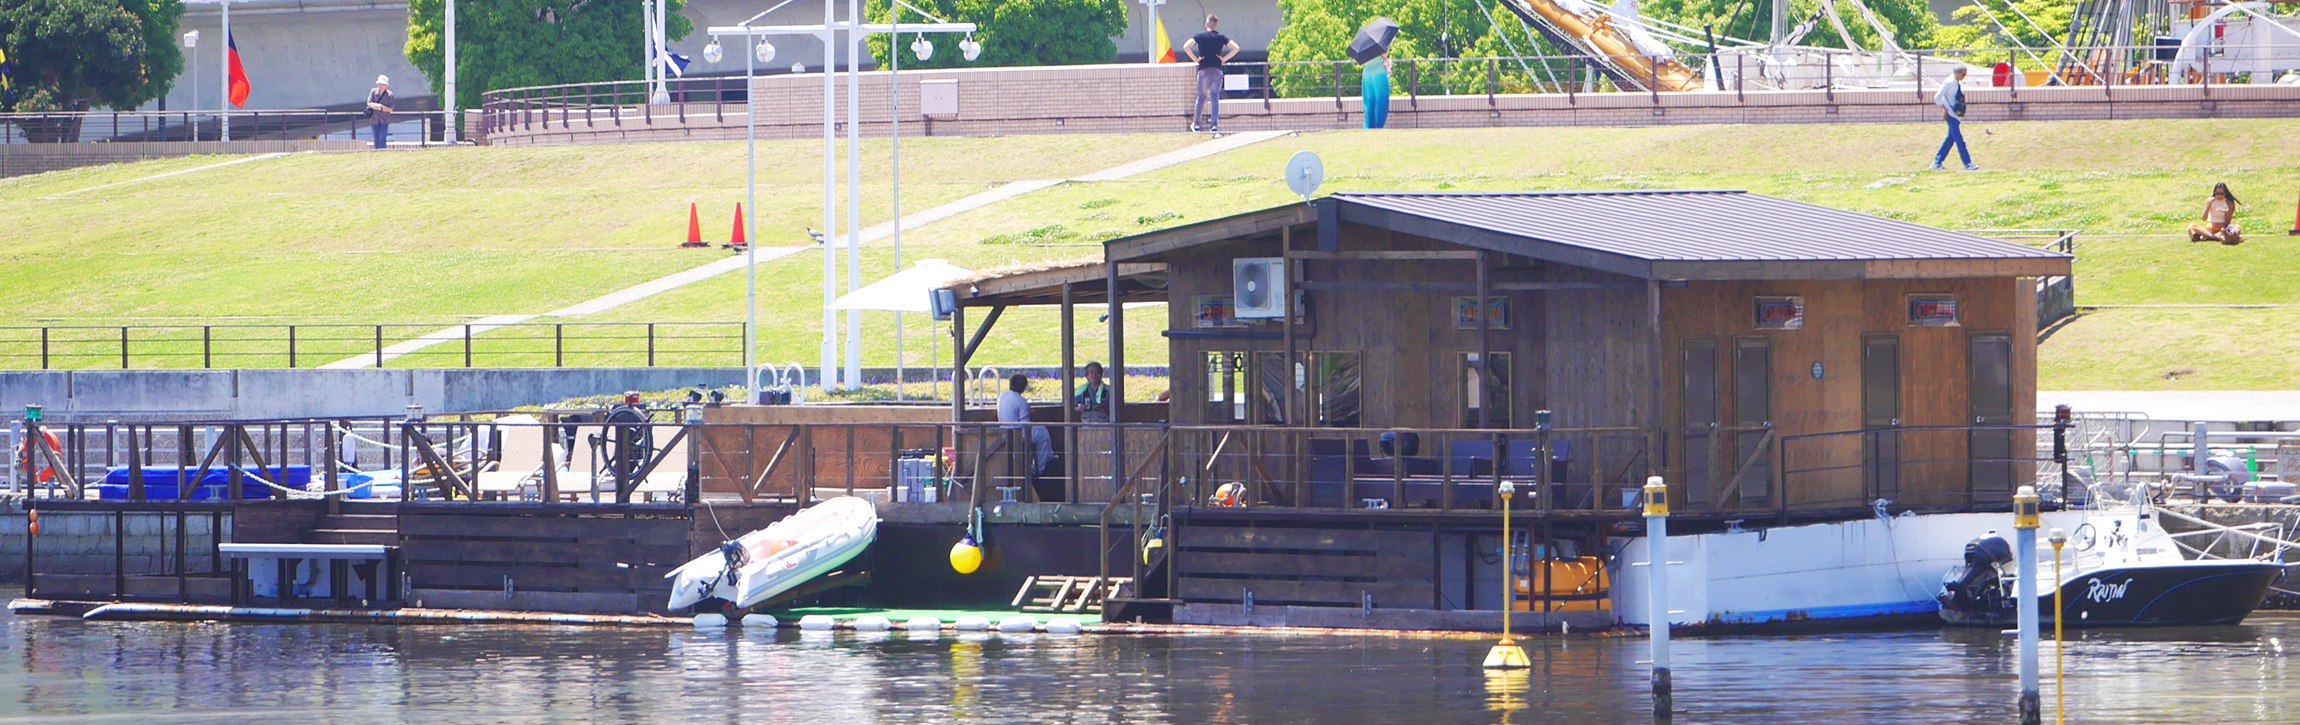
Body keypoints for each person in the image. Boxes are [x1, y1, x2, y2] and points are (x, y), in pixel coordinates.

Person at [1183, 15, 1239, 133]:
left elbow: (1186, 46)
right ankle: (1214, 125)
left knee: (1201, 97)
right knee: (1214, 98)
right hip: (1217, 70)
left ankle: (1196, 124)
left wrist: (1195, 59)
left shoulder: (1200, 36)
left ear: (1206, 24)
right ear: (1216, 25)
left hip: (1203, 70)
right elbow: (1236, 48)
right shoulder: (1221, 37)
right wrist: (1224, 59)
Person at [996, 374, 1053, 477]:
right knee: (1043, 432)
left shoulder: (1002, 396)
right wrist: (1028, 411)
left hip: (1004, 431)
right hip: (1018, 433)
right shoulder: (1020, 401)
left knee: (1041, 432)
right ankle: (1039, 467)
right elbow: (1025, 424)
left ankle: (1048, 457)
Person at [1932, 66, 1976, 172]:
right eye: (1963, 74)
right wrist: (1945, 109)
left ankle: (1937, 163)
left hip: (1955, 115)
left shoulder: (1955, 82)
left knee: (1950, 140)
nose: (1964, 77)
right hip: (1950, 115)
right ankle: (1967, 164)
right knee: (1959, 140)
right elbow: (1937, 97)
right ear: (1957, 72)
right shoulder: (1949, 82)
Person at [1362, 51, 1392, 129]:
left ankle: (1368, 126)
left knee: (1368, 101)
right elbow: (1384, 54)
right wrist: (1385, 57)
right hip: (1378, 70)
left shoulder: (1364, 45)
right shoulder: (1377, 44)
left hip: (1367, 72)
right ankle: (1378, 126)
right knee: (1382, 100)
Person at [365, 75, 395, 150]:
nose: (380, 86)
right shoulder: (373, 92)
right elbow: (369, 104)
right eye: (379, 84)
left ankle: (383, 152)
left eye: (382, 84)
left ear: (386, 86)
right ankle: (377, 152)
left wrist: (380, 108)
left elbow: (391, 109)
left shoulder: (389, 95)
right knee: (376, 139)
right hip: (374, 120)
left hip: (384, 120)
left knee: (382, 138)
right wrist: (380, 106)